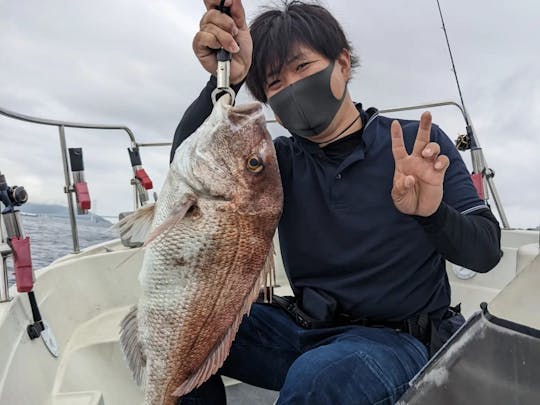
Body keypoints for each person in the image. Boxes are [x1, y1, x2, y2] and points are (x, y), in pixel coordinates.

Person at [170, 1, 502, 404]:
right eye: (274, 83)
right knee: (179, 332)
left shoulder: (415, 145)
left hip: (399, 340)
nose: (291, 87)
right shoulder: (276, 164)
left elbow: (486, 251)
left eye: (302, 67)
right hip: (304, 328)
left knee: (317, 379)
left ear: (342, 64)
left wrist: (431, 213)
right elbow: (191, 165)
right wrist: (226, 81)